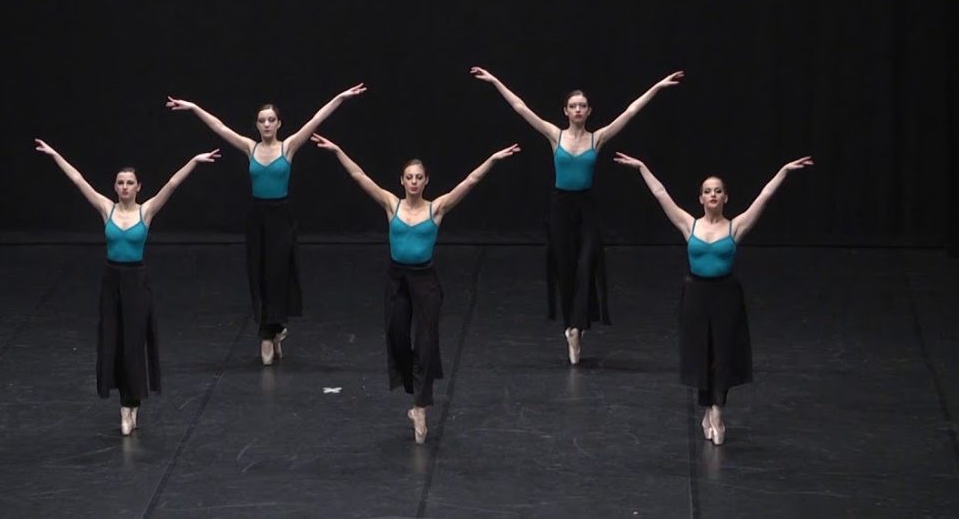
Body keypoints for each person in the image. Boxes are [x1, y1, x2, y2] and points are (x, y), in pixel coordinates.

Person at [311, 133, 520, 444]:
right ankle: (415, 388)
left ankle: (420, 406)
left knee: (425, 341)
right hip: (397, 281)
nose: (413, 182)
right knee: (397, 337)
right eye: (409, 177)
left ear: (426, 182)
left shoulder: (436, 208)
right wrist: (339, 150)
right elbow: (359, 176)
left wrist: (491, 160)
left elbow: (470, 181)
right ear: (402, 181)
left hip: (425, 282)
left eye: (418, 178)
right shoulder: (390, 204)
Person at [470, 66, 683, 364]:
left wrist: (657, 86)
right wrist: (495, 81)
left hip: (586, 208)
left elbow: (631, 111)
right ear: (566, 111)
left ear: (589, 110)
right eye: (573, 106)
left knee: (587, 265)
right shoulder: (554, 136)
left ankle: (577, 327)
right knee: (566, 269)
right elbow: (521, 107)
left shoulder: (598, 138)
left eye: (582, 105)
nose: (578, 109)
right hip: (560, 208)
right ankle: (571, 327)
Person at [614, 151, 813, 445]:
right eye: (707, 191)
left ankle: (717, 411)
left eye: (718, 191)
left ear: (725, 198)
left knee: (723, 354)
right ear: (701, 198)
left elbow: (764, 196)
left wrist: (783, 171)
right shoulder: (688, 225)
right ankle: (707, 407)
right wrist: (642, 166)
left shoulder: (736, 227)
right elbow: (660, 194)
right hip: (695, 295)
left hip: (725, 296)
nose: (713, 195)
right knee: (701, 354)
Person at [166, 84, 365, 364]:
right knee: (259, 273)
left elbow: (316, 120)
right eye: (262, 120)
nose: (267, 124)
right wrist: (194, 108)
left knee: (278, 273)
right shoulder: (250, 148)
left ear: (279, 123)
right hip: (257, 216)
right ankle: (269, 332)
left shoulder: (289, 146)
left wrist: (341, 98)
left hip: (281, 217)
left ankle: (272, 330)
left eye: (271, 119)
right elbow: (220, 128)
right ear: (257, 125)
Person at [34, 138, 219, 436]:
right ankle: (123, 403)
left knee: (133, 343)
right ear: (115, 187)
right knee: (113, 342)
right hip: (111, 282)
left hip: (136, 282)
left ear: (138, 187)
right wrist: (56, 154)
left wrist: (194, 161)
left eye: (129, 183)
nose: (124, 187)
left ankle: (132, 403)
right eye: (120, 182)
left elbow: (171, 184)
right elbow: (78, 179)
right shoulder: (105, 208)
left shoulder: (145, 212)